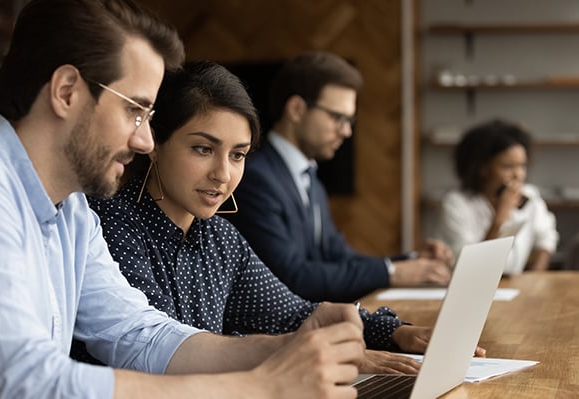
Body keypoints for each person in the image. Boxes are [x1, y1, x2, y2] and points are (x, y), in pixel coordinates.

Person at [0, 2, 366, 398]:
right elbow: (19, 383)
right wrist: (261, 387)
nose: (146, 142)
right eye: (135, 111)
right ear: (67, 91)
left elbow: (140, 335)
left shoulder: (70, 210)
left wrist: (289, 347)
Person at [78, 60, 441, 375]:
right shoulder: (112, 224)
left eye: (237, 155)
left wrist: (395, 332)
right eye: (203, 149)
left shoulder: (220, 237)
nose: (223, 173)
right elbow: (158, 353)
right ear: (155, 142)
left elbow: (291, 314)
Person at [224, 51, 453, 303]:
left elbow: (339, 257)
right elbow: (291, 277)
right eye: (338, 118)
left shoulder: (311, 180)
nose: (346, 131)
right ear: (297, 109)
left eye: (349, 120)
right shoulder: (255, 178)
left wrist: (413, 262)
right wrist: (393, 273)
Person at [435, 119, 559, 274]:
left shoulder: (530, 195)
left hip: (515, 285)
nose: (518, 175)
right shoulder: (456, 203)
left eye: (522, 166)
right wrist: (500, 218)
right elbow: (472, 267)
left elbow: (546, 237)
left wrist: (536, 276)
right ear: (482, 168)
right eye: (508, 166)